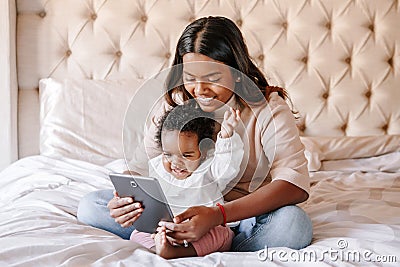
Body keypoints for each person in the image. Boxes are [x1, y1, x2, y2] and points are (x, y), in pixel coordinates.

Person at [77, 16, 313, 252]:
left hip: (243, 215)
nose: (199, 89)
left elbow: (294, 184)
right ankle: (189, 241)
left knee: (293, 225)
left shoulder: (267, 107)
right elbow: (141, 166)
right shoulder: (175, 103)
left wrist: (217, 216)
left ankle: (214, 240)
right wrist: (125, 200)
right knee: (91, 206)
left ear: (237, 72)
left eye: (213, 79)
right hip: (179, 209)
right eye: (190, 78)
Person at [130, 101, 244, 259]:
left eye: (186, 155)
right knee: (136, 234)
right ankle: (161, 245)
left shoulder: (209, 168)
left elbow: (227, 165)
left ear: (203, 152)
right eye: (168, 154)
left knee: (223, 235)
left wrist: (226, 135)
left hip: (205, 229)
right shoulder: (156, 167)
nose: (176, 163)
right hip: (168, 228)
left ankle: (177, 252)